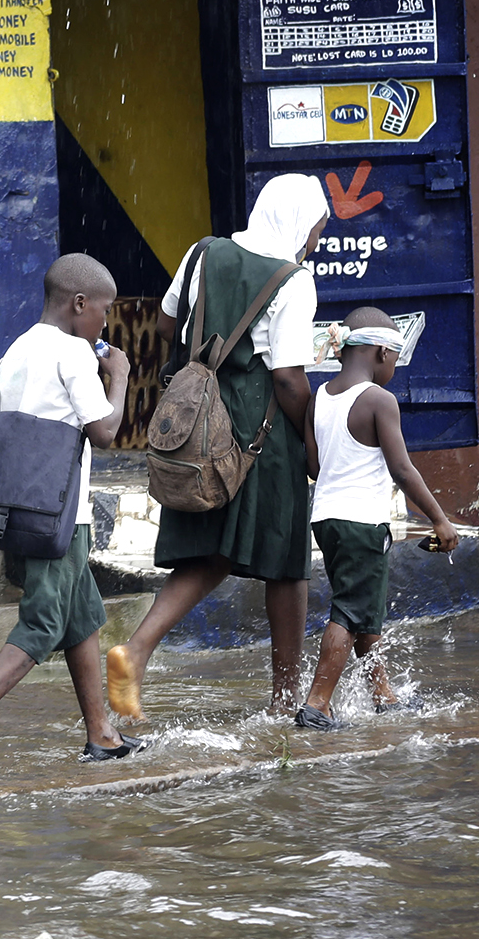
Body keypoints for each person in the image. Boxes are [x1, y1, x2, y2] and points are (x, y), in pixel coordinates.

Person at [107, 174, 330, 720]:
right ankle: (282, 701)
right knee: (286, 562)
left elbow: (165, 324)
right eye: (317, 230)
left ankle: (134, 652)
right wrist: (312, 438)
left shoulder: (204, 251)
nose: (316, 242)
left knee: (213, 550)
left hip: (196, 423)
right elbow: (288, 378)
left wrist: (213, 349)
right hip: (262, 432)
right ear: (298, 222)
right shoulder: (294, 280)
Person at [0, 255, 142, 782]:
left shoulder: (16, 349)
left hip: (24, 508)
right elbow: (105, 431)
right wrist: (119, 378)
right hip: (61, 512)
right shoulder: (74, 353)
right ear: (79, 304)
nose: (106, 325)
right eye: (105, 312)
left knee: (81, 615)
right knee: (45, 620)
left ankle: (102, 734)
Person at [294, 308, 459, 730]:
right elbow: (403, 469)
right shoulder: (378, 400)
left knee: (363, 610)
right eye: (395, 361)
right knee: (349, 612)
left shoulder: (320, 397)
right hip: (361, 524)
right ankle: (317, 706)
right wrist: (440, 520)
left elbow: (314, 467)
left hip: (327, 520)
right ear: (382, 352)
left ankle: (382, 694)